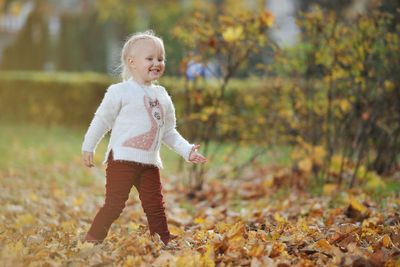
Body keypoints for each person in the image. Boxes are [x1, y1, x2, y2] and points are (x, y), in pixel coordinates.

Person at [81, 30, 207, 245]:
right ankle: (92, 239)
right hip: (122, 159)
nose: (156, 62)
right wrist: (89, 146)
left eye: (160, 58)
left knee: (155, 205)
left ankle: (163, 242)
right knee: (115, 204)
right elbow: (102, 120)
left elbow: (168, 131)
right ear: (132, 62)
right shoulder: (120, 91)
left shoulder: (162, 96)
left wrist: (187, 150)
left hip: (149, 163)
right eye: (150, 58)